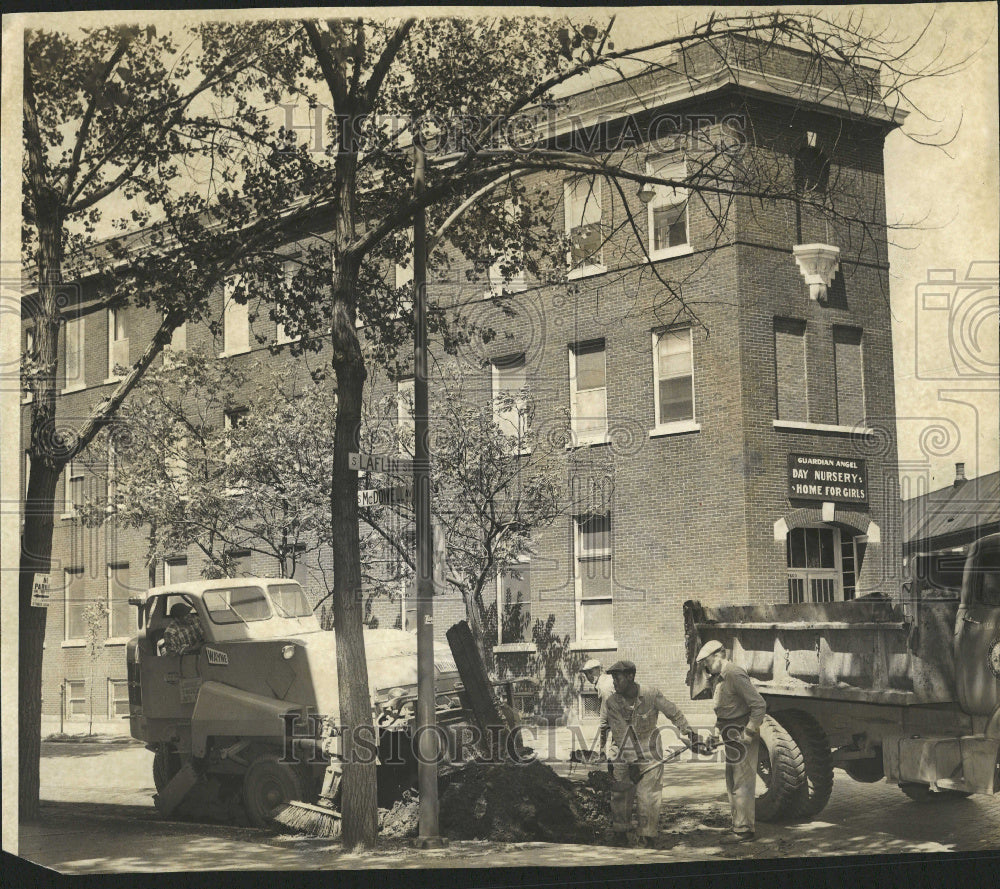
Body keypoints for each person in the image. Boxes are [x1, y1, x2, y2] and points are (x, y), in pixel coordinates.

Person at [601, 660, 697, 848]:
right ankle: (621, 832)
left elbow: (673, 712)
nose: (614, 682)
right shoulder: (612, 702)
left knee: (649, 795)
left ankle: (648, 836)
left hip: (650, 749)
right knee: (621, 792)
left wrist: (690, 733)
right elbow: (620, 734)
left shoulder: (651, 694)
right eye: (612, 678)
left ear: (630, 676)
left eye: (617, 678)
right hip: (623, 751)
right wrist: (633, 763)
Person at [695, 639, 767, 844]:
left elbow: (759, 706)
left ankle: (744, 830)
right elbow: (723, 711)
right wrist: (715, 734)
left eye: (707, 662)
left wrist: (749, 732)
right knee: (733, 781)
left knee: (742, 783)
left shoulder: (734, 674)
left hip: (742, 736)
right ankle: (738, 825)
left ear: (718, 656)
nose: (706, 667)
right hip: (729, 736)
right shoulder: (719, 678)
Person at [579, 658, 615, 757]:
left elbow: (605, 718)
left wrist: (602, 750)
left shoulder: (604, 685)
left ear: (599, 670)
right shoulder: (606, 680)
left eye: (591, 672)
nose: (589, 676)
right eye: (586, 674)